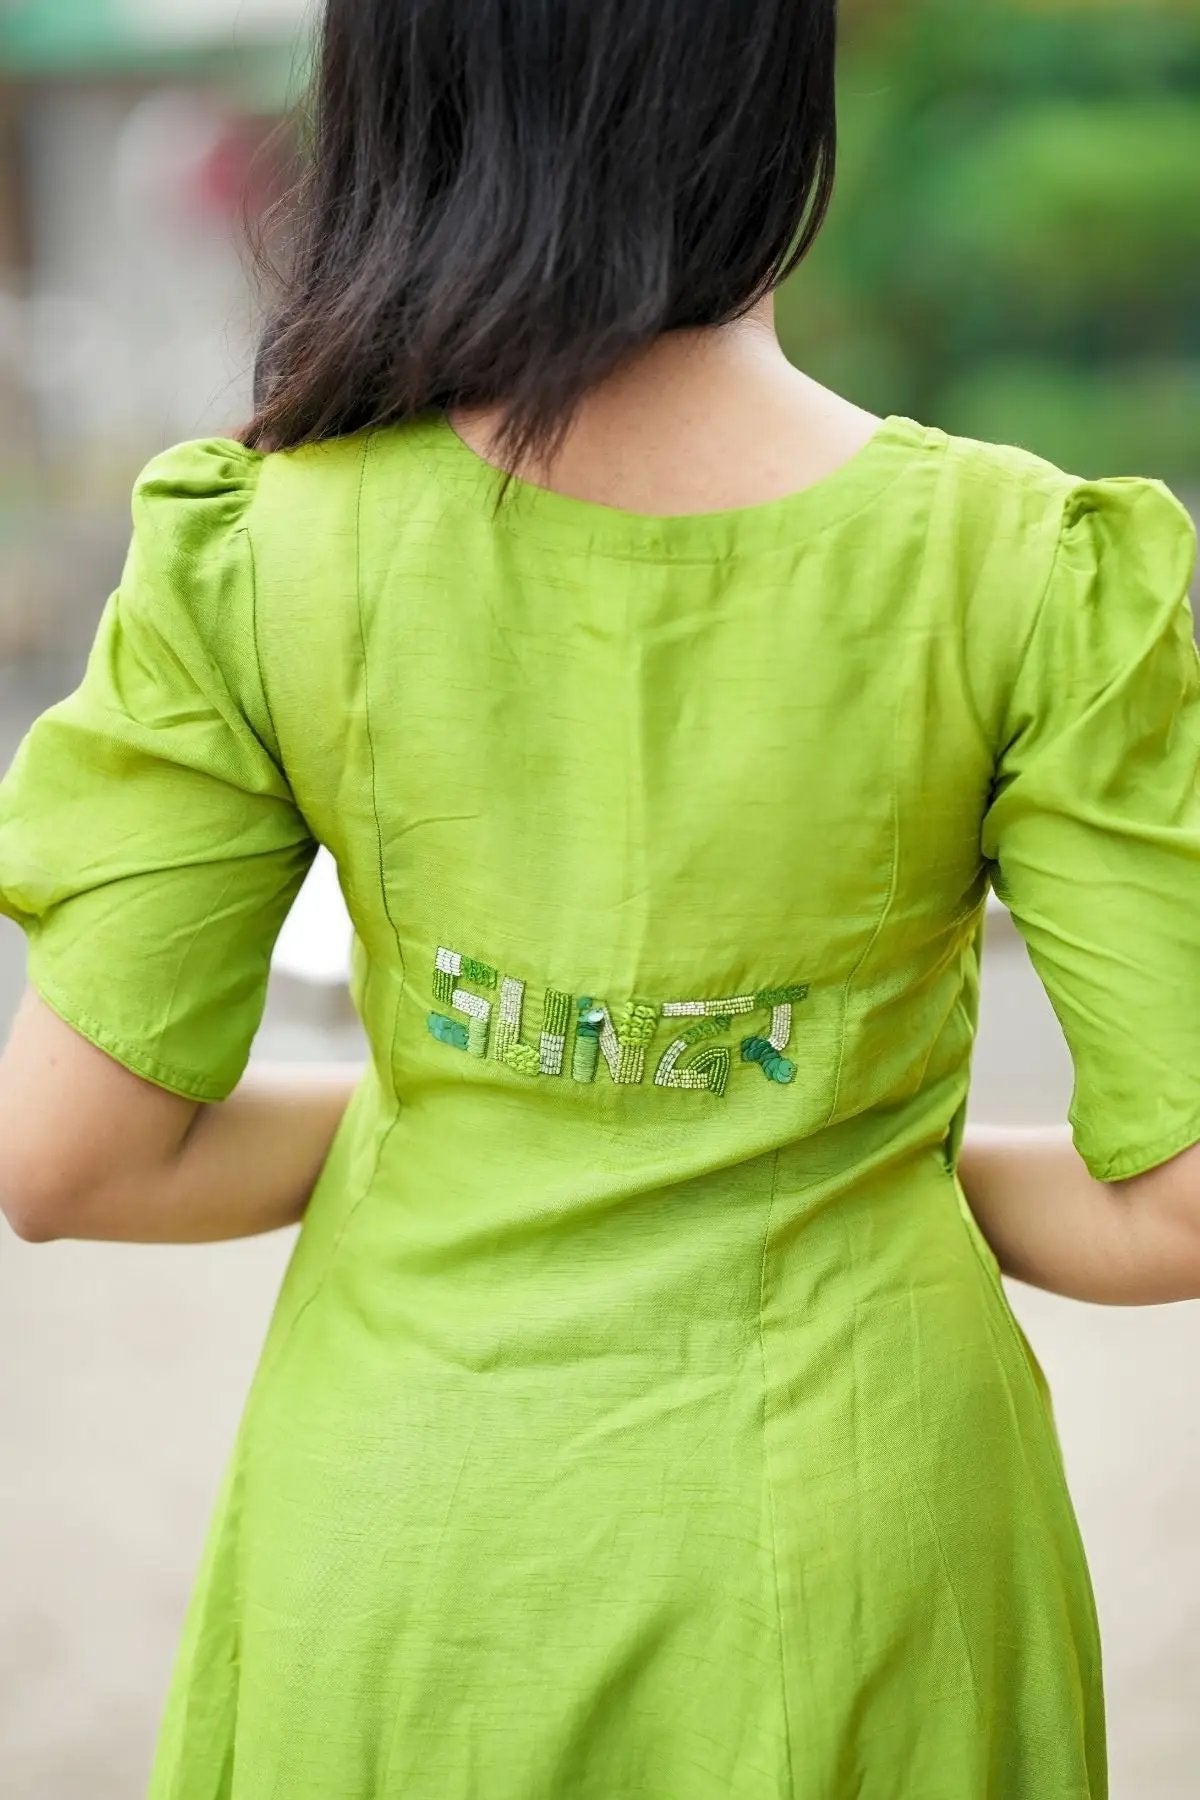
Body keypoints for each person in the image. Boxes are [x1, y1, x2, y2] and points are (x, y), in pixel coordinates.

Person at [0, 2, 1196, 1794]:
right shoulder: (1027, 568)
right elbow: (1176, 1207)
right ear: (773, 90)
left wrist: (488, 1123)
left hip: (411, 1563)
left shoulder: (258, 553)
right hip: (868, 1560)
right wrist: (822, 1139)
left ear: (406, 94)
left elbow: (71, 1162)